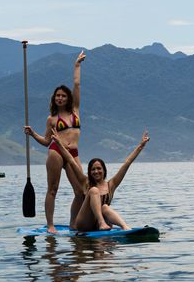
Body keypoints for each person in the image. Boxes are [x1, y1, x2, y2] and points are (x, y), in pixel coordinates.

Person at [24, 50, 86, 233]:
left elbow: (77, 84)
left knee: (81, 191)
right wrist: (33, 134)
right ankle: (50, 225)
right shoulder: (51, 119)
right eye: (57, 96)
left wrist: (77, 65)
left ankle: (73, 223)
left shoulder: (76, 110)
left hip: (73, 153)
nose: (60, 98)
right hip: (56, 152)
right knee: (53, 189)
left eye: (63, 95)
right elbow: (46, 141)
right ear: (54, 99)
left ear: (68, 98)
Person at [50, 130, 150, 232]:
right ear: (89, 172)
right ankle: (101, 222)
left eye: (99, 168)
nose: (96, 171)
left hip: (102, 225)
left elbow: (127, 162)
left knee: (105, 207)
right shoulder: (85, 182)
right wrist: (58, 143)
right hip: (85, 224)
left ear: (104, 170)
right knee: (94, 190)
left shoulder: (111, 184)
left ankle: (125, 227)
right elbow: (71, 160)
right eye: (93, 169)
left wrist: (141, 145)